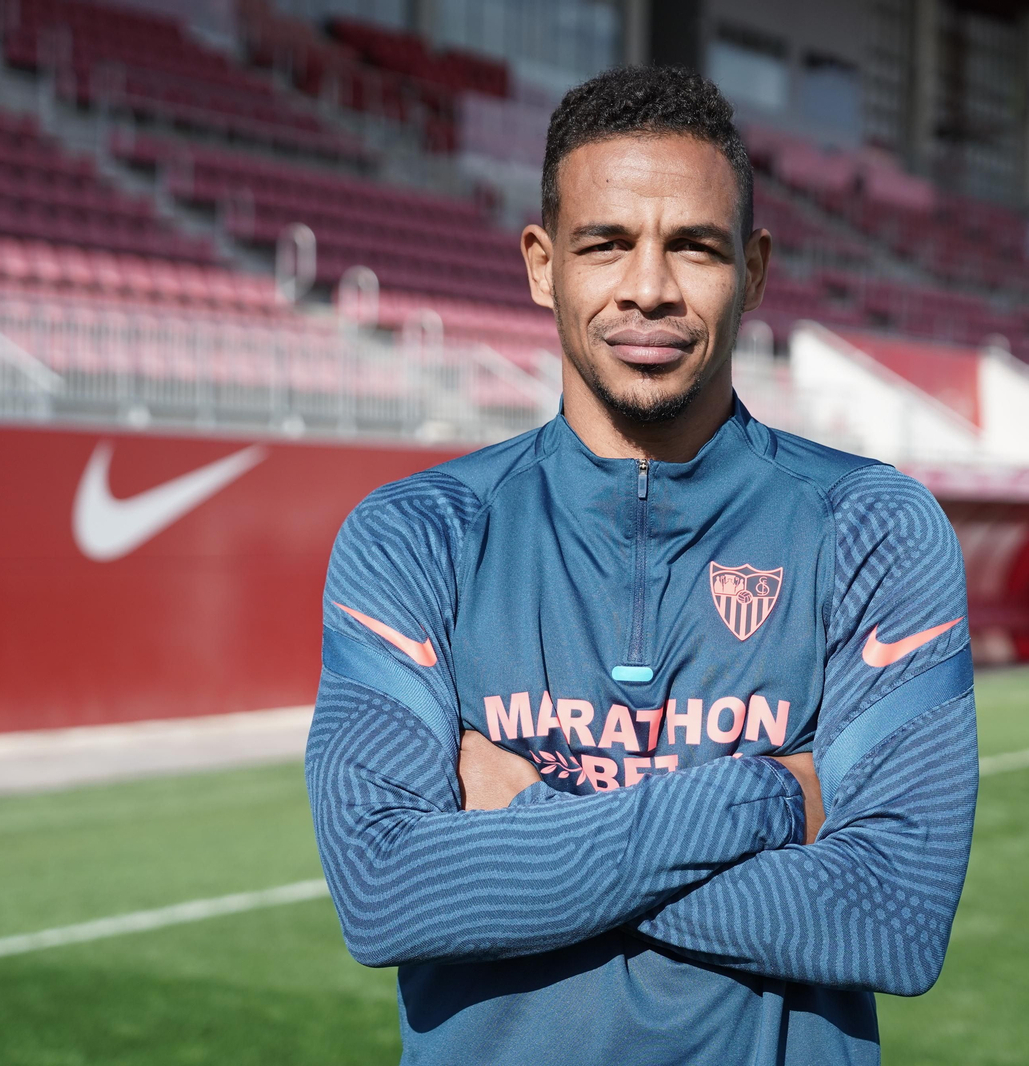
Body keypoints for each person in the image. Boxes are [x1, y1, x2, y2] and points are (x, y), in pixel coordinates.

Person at [307, 66, 978, 1066]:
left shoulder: (870, 525)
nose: (649, 287)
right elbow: (390, 892)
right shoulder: (417, 533)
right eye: (606, 244)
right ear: (542, 264)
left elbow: (888, 915)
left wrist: (526, 819)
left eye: (694, 247)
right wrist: (775, 798)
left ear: (752, 270)